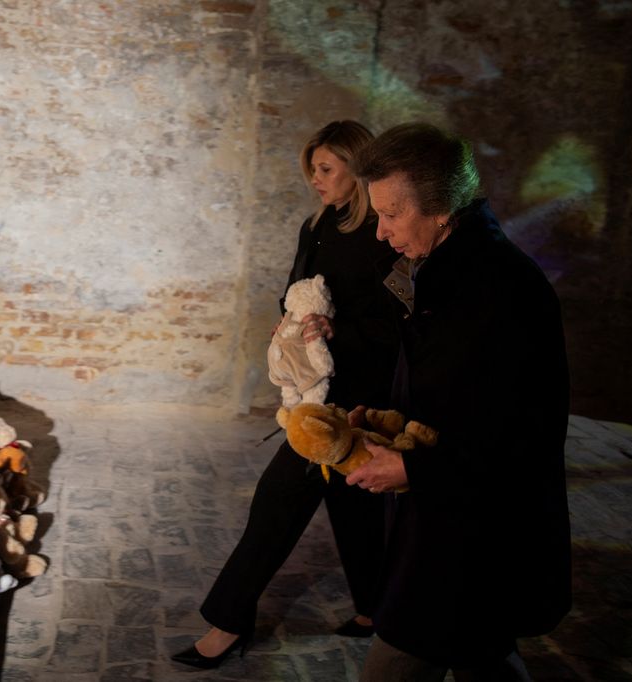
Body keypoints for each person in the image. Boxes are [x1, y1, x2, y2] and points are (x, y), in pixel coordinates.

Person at [346, 122, 572, 680]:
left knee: (403, 650)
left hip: (474, 533)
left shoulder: (505, 291)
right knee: (482, 653)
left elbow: (526, 439)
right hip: (450, 524)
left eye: (391, 214)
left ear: (442, 206)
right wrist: (379, 413)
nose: (380, 232)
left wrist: (413, 468)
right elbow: (435, 380)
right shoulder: (437, 272)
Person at [171, 120, 399, 670]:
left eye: (325, 169)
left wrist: (338, 332)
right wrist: (290, 326)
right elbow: (297, 292)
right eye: (312, 170)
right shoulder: (317, 226)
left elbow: (399, 325)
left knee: (277, 503)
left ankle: (227, 623)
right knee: (352, 504)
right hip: (314, 389)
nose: (315, 180)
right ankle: (375, 611)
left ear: (357, 166)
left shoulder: (385, 233)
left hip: (355, 395)